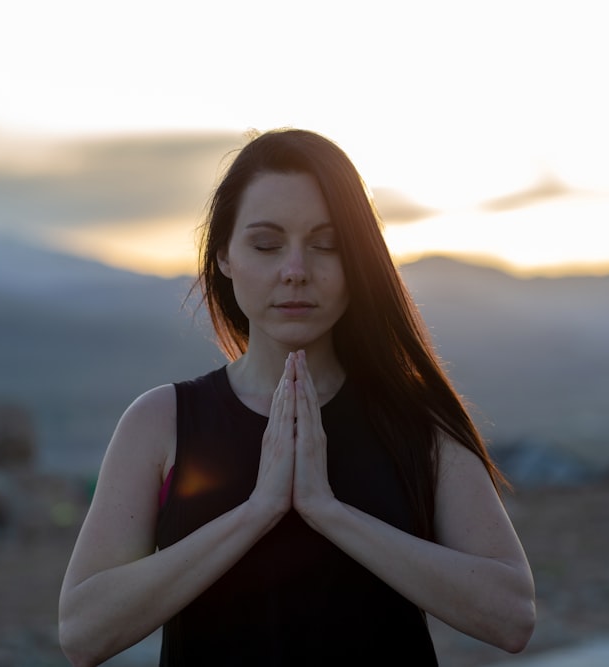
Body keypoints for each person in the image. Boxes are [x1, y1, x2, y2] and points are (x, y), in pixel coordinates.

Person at [58, 128, 535, 666]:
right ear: (224, 258)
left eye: (326, 245)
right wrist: (257, 511)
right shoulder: (161, 422)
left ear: (358, 261)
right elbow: (83, 631)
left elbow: (511, 615)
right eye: (266, 245)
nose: (296, 270)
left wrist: (326, 510)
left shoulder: (417, 423)